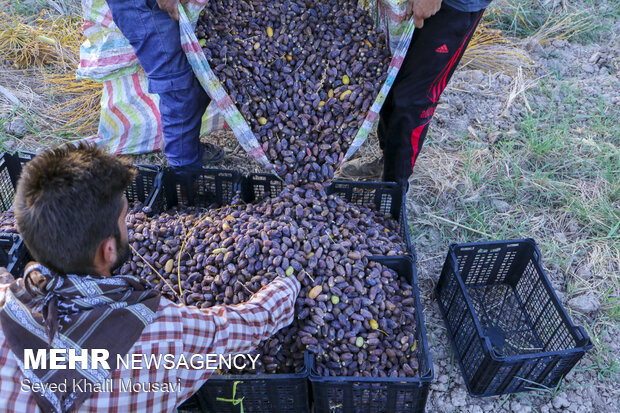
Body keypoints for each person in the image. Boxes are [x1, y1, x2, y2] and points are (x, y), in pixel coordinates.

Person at [0, 143, 300, 412]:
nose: (128, 224)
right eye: (124, 218)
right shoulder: (162, 328)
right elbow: (240, 327)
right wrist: (290, 285)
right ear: (108, 250)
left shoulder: (7, 304)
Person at [340, 0, 491, 190]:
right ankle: (387, 161)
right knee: (390, 81)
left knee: (413, 100)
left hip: (451, 7)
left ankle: (395, 184)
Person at [103, 0, 225, 171]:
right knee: (179, 90)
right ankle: (184, 175)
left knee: (202, 76)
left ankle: (181, 145)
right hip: (145, 6)